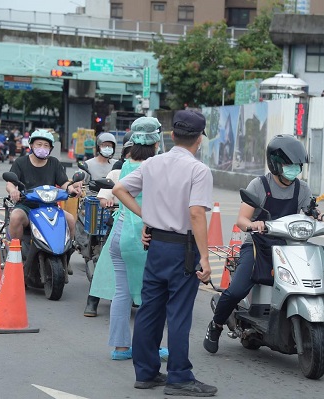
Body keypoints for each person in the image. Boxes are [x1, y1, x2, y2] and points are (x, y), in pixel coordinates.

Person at [203, 134, 324, 354]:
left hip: (289, 246)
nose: (294, 169)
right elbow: (242, 219)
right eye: (289, 165)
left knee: (323, 253)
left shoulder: (302, 188)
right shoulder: (259, 185)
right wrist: (253, 224)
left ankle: (319, 316)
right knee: (236, 289)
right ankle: (216, 324)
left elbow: (310, 216)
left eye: (297, 165)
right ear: (276, 164)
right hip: (260, 245)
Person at [112, 109, 217, 396]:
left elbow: (119, 189)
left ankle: (145, 373)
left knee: (150, 309)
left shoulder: (153, 163)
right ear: (199, 140)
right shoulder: (199, 170)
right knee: (179, 313)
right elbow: (196, 213)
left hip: (155, 245)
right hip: (183, 249)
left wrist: (146, 216)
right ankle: (180, 377)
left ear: (171, 136)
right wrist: (205, 258)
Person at [90, 117, 168, 362]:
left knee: (122, 293)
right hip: (142, 237)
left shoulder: (126, 164)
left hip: (119, 235)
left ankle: (121, 348)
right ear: (156, 141)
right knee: (151, 296)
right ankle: (151, 348)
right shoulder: (156, 166)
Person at [6, 129, 82, 243]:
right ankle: (14, 252)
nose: (43, 147)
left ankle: (66, 253)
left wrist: (72, 189)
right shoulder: (20, 162)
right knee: (16, 217)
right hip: (26, 206)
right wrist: (13, 191)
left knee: (70, 220)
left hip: (50, 207)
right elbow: (10, 183)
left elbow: (64, 182)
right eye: (39, 144)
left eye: (46, 145)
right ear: (31, 145)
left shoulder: (54, 163)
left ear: (51, 148)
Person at [81, 132, 118, 317]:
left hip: (139, 222)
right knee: (106, 260)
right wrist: (105, 200)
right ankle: (92, 300)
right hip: (115, 216)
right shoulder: (118, 169)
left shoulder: (146, 168)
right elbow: (104, 195)